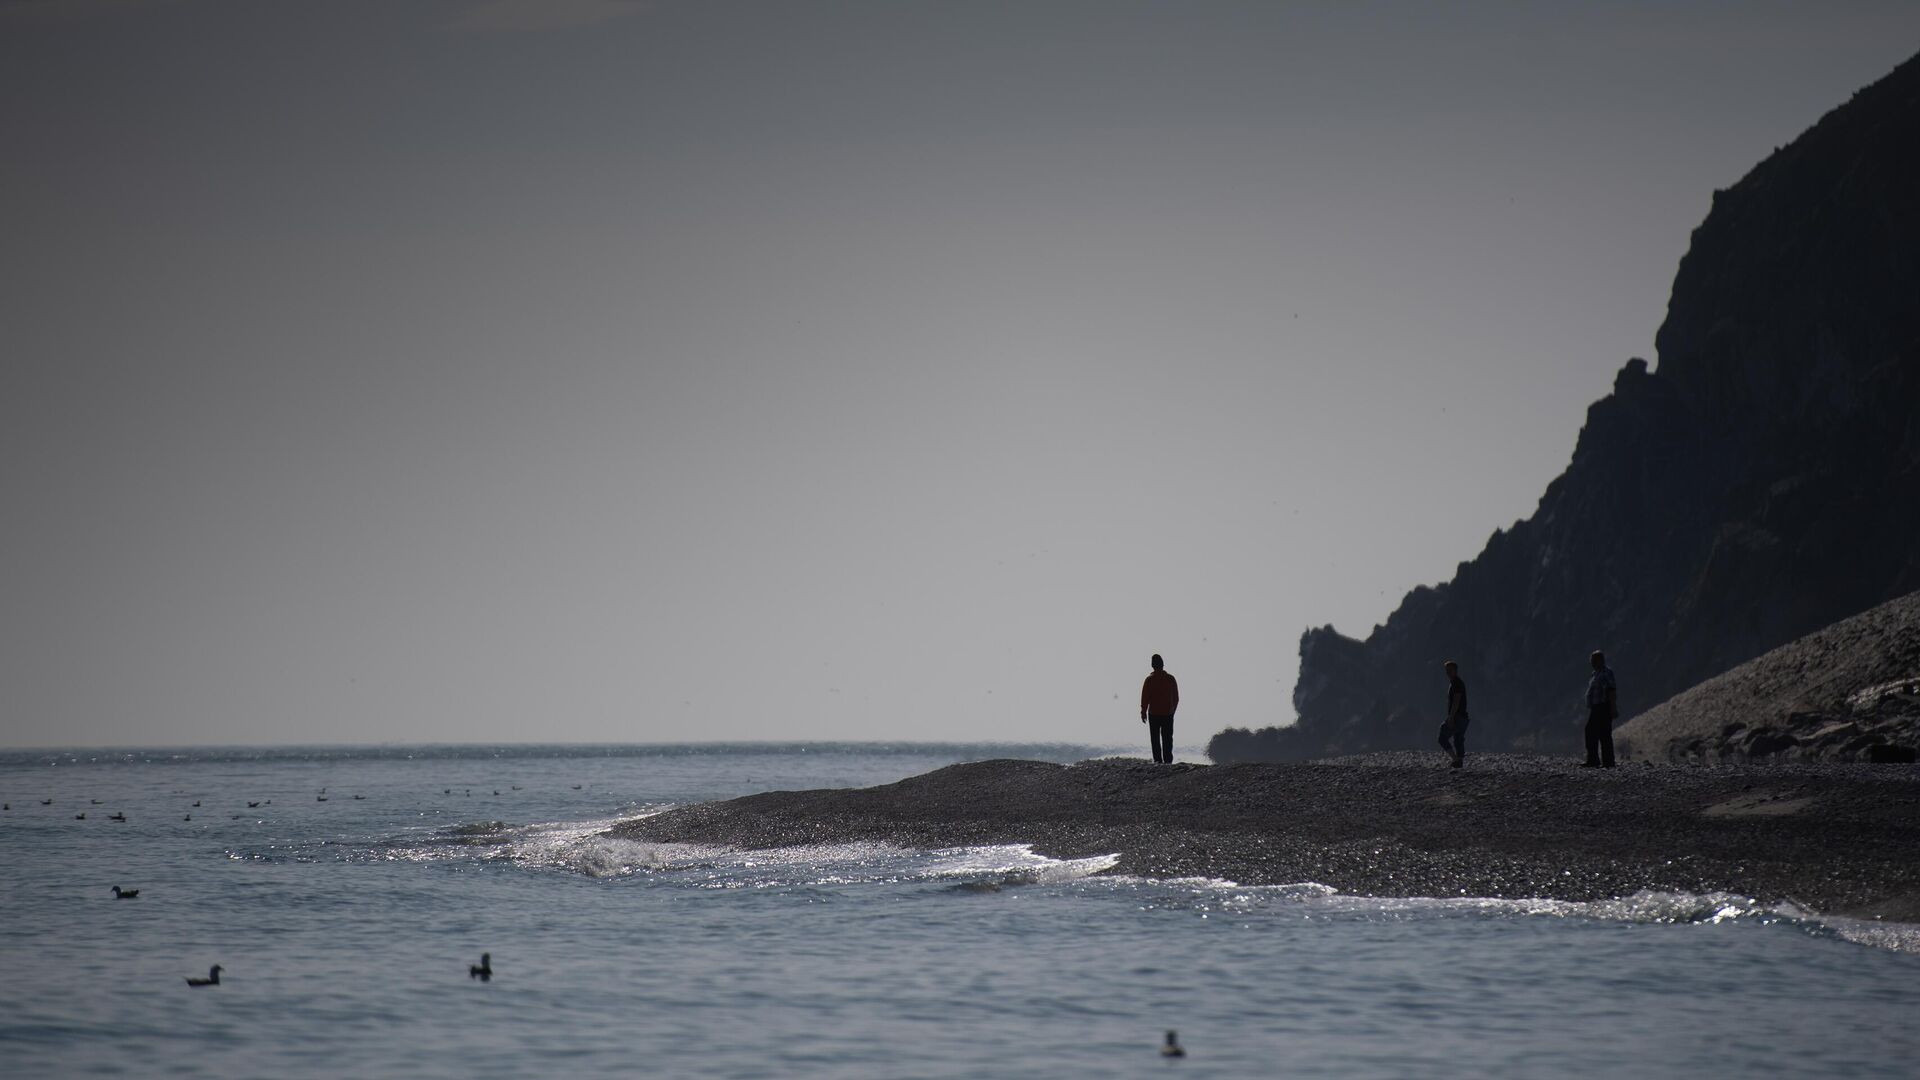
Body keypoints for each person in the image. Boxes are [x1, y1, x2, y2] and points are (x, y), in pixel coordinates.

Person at [1140, 654, 1179, 764]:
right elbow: (1176, 698)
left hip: (1154, 714)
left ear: (1152, 665)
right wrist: (1172, 711)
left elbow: (1145, 698)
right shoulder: (1170, 679)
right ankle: (1168, 761)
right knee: (1167, 738)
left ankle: (1157, 760)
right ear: (1162, 664)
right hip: (1168, 714)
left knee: (1155, 739)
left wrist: (1143, 712)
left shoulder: (1149, 680)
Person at [1583, 650, 1618, 768]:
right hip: (1596, 707)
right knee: (1593, 732)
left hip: (1603, 707)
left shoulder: (1606, 673)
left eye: (1593, 660)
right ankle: (1597, 760)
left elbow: (1611, 689)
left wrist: (1613, 707)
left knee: (1602, 733)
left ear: (1599, 660)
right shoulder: (1595, 673)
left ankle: (1606, 761)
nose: (1591, 662)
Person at [1438, 660, 1469, 767]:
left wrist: (1451, 717)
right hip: (1463, 717)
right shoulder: (1457, 682)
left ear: (1455, 671)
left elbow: (1456, 701)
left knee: (1442, 737)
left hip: (1457, 717)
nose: (1448, 673)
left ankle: (1456, 759)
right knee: (1458, 739)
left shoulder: (1456, 683)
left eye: (1450, 670)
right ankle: (1459, 761)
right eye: (1447, 671)